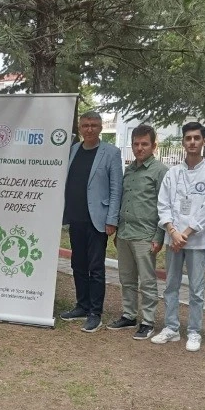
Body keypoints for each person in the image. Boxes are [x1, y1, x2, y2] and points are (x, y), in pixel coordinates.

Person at [151, 122, 205, 351]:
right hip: (173, 240)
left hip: (196, 241)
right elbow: (163, 204)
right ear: (183, 142)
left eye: (196, 138)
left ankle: (194, 331)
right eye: (188, 138)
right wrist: (172, 231)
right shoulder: (173, 173)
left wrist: (186, 233)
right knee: (171, 285)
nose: (192, 142)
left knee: (196, 289)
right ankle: (171, 327)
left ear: (204, 141)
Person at [61, 111, 123, 333]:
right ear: (80, 127)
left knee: (95, 268)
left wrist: (112, 219)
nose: (89, 129)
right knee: (77, 264)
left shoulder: (111, 153)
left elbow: (116, 189)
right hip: (75, 218)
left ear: (100, 128)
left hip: (98, 220)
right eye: (85, 125)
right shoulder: (73, 150)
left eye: (94, 125)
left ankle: (95, 312)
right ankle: (82, 305)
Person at [106, 124, 168, 340]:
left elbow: (164, 206)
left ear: (153, 146)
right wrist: (118, 231)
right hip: (125, 233)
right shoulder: (129, 170)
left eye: (144, 144)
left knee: (147, 281)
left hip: (145, 235)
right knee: (127, 278)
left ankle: (148, 321)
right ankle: (129, 315)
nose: (139, 148)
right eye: (136, 144)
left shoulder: (160, 171)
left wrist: (159, 236)